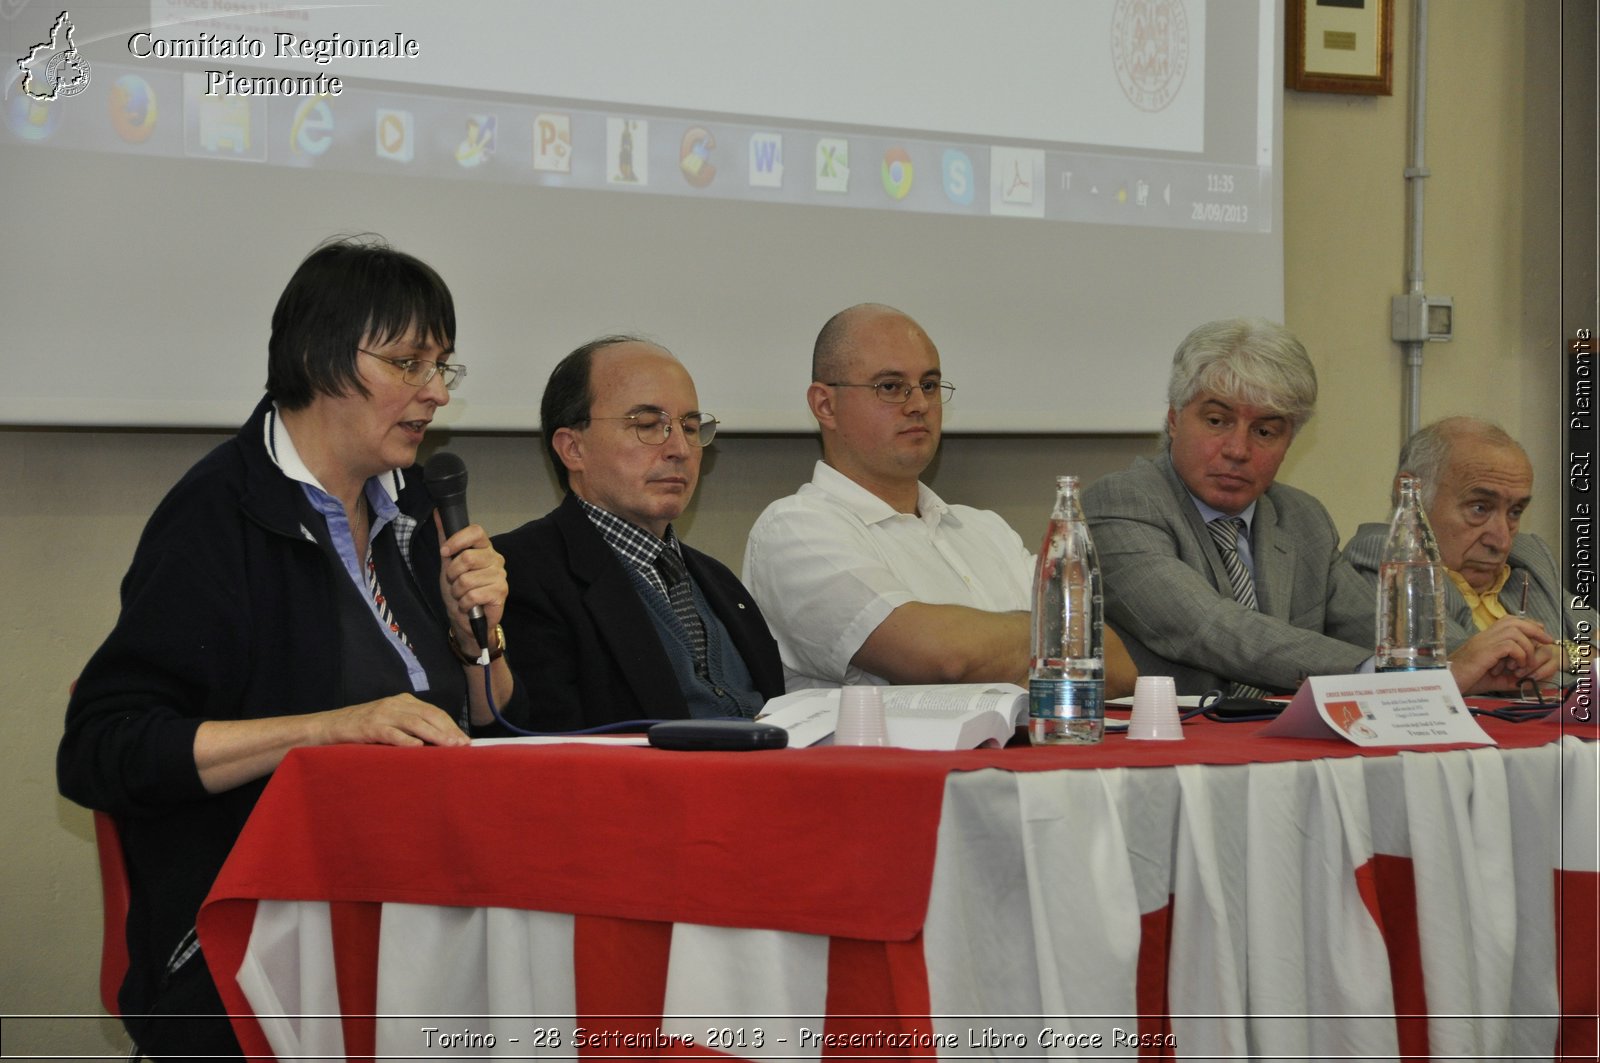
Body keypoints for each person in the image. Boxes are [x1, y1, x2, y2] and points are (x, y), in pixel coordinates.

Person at [57, 237, 522, 1061]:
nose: (437, 394)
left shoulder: (411, 504)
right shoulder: (219, 514)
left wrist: (471, 637)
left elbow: (482, 719)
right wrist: (325, 730)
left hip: (420, 907)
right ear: (320, 358)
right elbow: (102, 747)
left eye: (444, 366)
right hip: (259, 932)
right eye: (410, 363)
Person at [1080, 317, 1553, 696]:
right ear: (1173, 417)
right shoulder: (1122, 502)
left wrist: (1493, 659)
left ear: (1290, 440)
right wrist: (1394, 675)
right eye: (1217, 420)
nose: (1238, 449)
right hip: (1172, 753)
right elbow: (1209, 627)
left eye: (1265, 430)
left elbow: (1376, 628)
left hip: (1290, 750)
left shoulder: (1301, 519)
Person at [742, 303, 1138, 694]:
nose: (919, 405)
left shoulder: (986, 529)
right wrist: (1059, 631)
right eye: (891, 387)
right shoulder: (796, 528)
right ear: (825, 405)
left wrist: (998, 653)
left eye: (929, 385)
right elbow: (944, 659)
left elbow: (1117, 666)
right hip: (889, 758)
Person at [495, 336, 784, 730]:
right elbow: (548, 745)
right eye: (649, 425)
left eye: (691, 426)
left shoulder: (720, 582)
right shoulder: (520, 575)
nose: (680, 448)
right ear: (572, 449)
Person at [1342, 416, 1593, 679]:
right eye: (1479, 508)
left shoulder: (1529, 557)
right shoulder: (1384, 560)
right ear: (1411, 493)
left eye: (1515, 511)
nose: (1502, 541)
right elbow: (1492, 676)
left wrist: (1563, 654)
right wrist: (1578, 658)